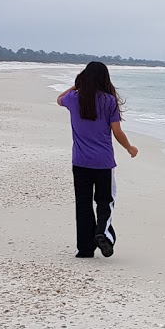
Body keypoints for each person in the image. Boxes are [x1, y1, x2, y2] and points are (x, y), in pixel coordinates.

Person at [56, 61, 138, 258]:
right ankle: (103, 233)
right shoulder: (109, 101)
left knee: (83, 204)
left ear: (84, 77)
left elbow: (59, 99)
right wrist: (129, 148)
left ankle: (85, 249)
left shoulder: (73, 98)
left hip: (80, 161)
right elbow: (117, 131)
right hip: (103, 162)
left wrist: (78, 84)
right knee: (105, 200)